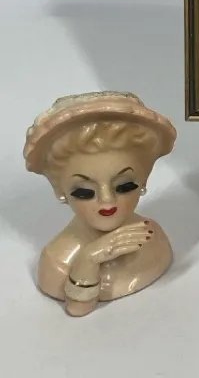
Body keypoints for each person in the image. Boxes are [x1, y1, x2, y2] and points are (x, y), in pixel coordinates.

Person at [23, 91, 177, 316]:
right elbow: (77, 309)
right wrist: (88, 261)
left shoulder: (153, 237)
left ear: (144, 180)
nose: (107, 201)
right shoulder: (56, 263)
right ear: (60, 190)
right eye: (85, 191)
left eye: (124, 186)